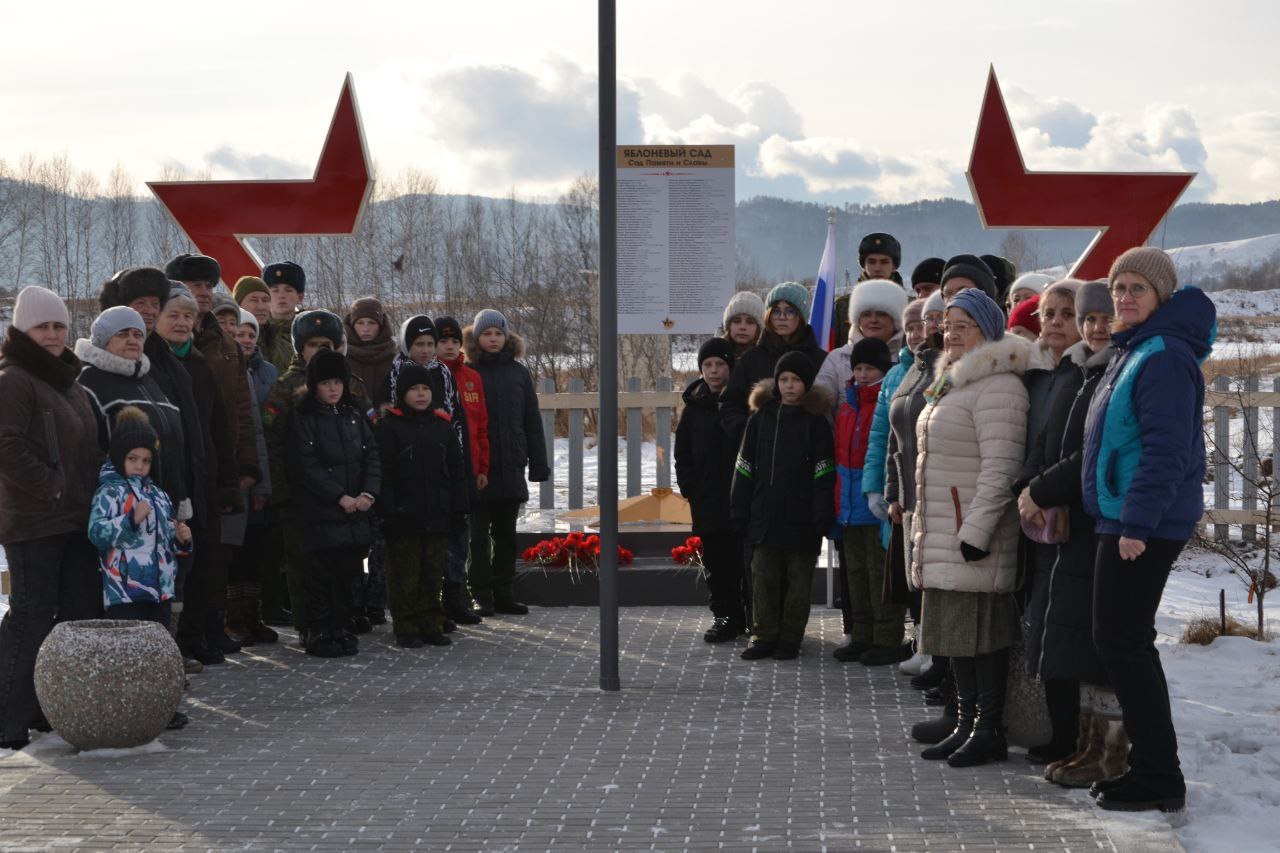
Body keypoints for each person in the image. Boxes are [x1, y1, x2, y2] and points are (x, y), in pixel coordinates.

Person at [1082, 247, 1215, 813]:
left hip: (1142, 523)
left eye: (1138, 288)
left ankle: (1160, 775)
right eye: (1119, 288)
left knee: (1124, 643)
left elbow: (1167, 450)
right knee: (1120, 641)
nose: (1125, 297)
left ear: (1161, 295)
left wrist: (1136, 521)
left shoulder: (1162, 355)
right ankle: (1152, 769)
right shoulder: (1135, 349)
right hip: (1123, 516)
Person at [912, 288, 1029, 768]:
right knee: (955, 638)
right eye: (949, 323)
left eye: (966, 324)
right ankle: (964, 722)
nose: (953, 332)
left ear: (990, 330)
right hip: (944, 531)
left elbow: (1001, 469)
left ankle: (989, 728)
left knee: (981, 640)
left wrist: (977, 531)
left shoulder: (1000, 386)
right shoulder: (955, 382)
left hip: (971, 534)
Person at [1013, 280, 1123, 784]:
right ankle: (1070, 739)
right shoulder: (1075, 372)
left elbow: (1092, 454)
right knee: (1055, 629)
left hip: (1086, 520)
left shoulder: (1113, 375)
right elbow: (1045, 440)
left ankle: (1094, 748)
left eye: (1105, 318)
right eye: (1089, 319)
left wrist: (1042, 490)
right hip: (1054, 522)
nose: (1096, 327)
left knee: (1082, 637)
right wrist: (1028, 488)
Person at [0, 286, 104, 751]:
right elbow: (7, 446)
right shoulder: (14, 378)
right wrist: (53, 486)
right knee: (31, 616)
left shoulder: (69, 384)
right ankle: (8, 715)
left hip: (74, 521)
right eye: (43, 326)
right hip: (34, 520)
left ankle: (48, 708)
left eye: (59, 326)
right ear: (24, 330)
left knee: (73, 617)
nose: (53, 334)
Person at [154, 284, 242, 664]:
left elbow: (220, 428)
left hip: (203, 477)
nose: (181, 322)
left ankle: (197, 634)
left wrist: (227, 481)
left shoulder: (201, 365)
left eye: (188, 316)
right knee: (175, 568)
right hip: (167, 479)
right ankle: (174, 645)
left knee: (205, 563)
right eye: (173, 314)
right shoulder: (151, 363)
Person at [731, 351, 835, 661]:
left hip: (801, 519)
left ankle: (790, 637)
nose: (790, 386)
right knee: (763, 577)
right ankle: (763, 635)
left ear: (807, 385)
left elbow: (824, 471)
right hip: (764, 516)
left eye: (797, 380)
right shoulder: (761, 420)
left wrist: (821, 512)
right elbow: (744, 467)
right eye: (784, 379)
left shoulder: (815, 423)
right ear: (776, 383)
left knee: (798, 582)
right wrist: (739, 509)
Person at [287, 350, 381, 658]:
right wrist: (338, 496)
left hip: (354, 513)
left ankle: (341, 627)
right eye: (326, 383)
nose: (332, 389)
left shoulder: (354, 416)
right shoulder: (304, 418)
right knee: (319, 577)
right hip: (320, 514)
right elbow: (306, 466)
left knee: (347, 575)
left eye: (337, 382)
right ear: (315, 385)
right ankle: (319, 630)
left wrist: (368, 494)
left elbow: (372, 456)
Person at [376, 363, 469, 648]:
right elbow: (384, 473)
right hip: (403, 516)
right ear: (402, 393)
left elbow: (456, 470)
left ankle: (431, 622)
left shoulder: (442, 426)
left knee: (432, 572)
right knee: (405, 574)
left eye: (425, 389)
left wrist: (458, 507)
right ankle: (406, 625)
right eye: (414, 389)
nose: (420, 395)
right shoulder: (389, 427)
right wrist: (388, 511)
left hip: (437, 513)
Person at [463, 310, 549, 615]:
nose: (493, 339)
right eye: (486, 334)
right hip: (479, 470)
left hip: (511, 465)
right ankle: (480, 593)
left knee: (506, 535)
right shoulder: (468, 373)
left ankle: (504, 592)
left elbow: (531, 420)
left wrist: (539, 463)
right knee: (477, 536)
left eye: (498, 334)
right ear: (476, 338)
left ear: (507, 337)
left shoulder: (519, 373)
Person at [861, 297, 928, 671]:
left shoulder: (936, 369)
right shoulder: (894, 375)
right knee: (906, 570)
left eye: (924, 325)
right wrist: (876, 486)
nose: (918, 333)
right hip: (899, 488)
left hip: (927, 488)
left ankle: (927, 643)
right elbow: (880, 436)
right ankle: (919, 638)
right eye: (912, 326)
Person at [834, 337, 906, 666]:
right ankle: (861, 633)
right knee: (856, 575)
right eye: (858, 368)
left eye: (870, 368)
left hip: (874, 506)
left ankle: (887, 637)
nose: (863, 374)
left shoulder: (883, 401)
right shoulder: (847, 406)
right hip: (848, 507)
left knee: (880, 575)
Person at [76, 307, 188, 512]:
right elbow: (85, 453)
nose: (132, 339)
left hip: (163, 505)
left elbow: (174, 446)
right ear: (104, 339)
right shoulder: (89, 381)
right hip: (121, 510)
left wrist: (179, 500)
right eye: (122, 333)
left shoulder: (149, 381)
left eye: (138, 334)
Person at [675, 338, 745, 642]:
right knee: (717, 565)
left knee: (743, 563)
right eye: (707, 365)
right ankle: (725, 618)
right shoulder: (694, 408)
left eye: (720, 364)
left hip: (740, 498)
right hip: (707, 500)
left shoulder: (742, 402)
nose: (714, 371)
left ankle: (753, 618)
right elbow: (683, 453)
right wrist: (690, 487)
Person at [225, 308, 278, 645]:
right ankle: (231, 619)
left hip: (258, 472)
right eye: (239, 332)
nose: (245, 339)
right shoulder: (224, 368)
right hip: (231, 474)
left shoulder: (269, 373)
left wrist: (263, 484)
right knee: (232, 550)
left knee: (255, 551)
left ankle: (251, 615)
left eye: (250, 334)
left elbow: (261, 433)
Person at [720, 282, 827, 446]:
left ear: (802, 316)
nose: (782, 317)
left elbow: (828, 411)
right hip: (758, 454)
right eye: (776, 311)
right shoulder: (752, 358)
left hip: (807, 452)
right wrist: (750, 433)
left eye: (790, 311)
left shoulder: (821, 359)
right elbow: (730, 405)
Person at [434, 316, 489, 626]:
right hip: (439, 470)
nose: (449, 346)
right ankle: (440, 597)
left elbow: (481, 426)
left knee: (462, 537)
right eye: (443, 342)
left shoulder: (471, 377)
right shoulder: (429, 376)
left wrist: (481, 467)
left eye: (454, 341)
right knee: (441, 537)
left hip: (467, 468)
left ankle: (457, 595)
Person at [815, 279, 910, 415]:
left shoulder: (907, 359)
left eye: (882, 314)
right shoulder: (837, 359)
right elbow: (821, 411)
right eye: (866, 314)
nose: (873, 320)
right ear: (858, 320)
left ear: (895, 320)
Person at [1022, 280, 1084, 452]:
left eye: (1068, 314)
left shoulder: (1088, 374)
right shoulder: (1027, 372)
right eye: (1049, 314)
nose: (1056, 322)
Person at [835, 233, 902, 343]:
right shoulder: (843, 306)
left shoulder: (909, 306)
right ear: (863, 265)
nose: (877, 268)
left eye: (884, 262)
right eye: (871, 262)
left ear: (894, 266)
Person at [344, 297, 399, 406]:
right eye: (360, 323)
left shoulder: (394, 358)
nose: (366, 329)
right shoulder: (343, 356)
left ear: (381, 325)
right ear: (351, 325)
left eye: (372, 322)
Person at [260, 261, 307, 373]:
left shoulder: (308, 332)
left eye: (288, 290)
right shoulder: (255, 331)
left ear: (300, 297)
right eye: (275, 290)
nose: (281, 296)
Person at [721, 291, 765, 360]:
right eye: (736, 321)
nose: (742, 327)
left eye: (750, 322)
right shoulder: (714, 356)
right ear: (728, 326)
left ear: (759, 328)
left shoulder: (769, 360)